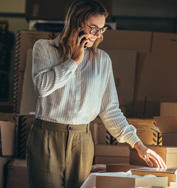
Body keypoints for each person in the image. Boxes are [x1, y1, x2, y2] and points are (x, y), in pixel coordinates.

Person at [26, 0, 167, 187]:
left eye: (102, 29)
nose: (98, 35)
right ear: (76, 23)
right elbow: (42, 87)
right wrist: (74, 61)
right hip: (47, 138)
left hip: (82, 141)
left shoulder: (102, 61)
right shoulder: (44, 48)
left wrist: (139, 145)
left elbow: (110, 110)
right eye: (93, 28)